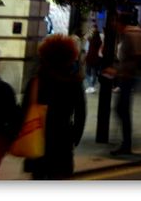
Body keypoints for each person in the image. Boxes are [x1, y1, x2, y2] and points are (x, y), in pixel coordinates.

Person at [22, 34, 87, 179]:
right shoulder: (74, 83)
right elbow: (81, 113)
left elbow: (24, 110)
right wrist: (75, 137)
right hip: (62, 139)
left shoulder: (36, 82)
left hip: (39, 138)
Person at [111, 13, 141, 155]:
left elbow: (134, 57)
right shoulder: (134, 33)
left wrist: (120, 70)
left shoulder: (129, 35)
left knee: (122, 109)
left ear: (121, 23)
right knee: (122, 109)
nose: (114, 25)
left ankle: (126, 144)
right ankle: (126, 143)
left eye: (116, 22)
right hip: (128, 75)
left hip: (128, 76)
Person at [84, 26, 102, 93]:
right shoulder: (100, 41)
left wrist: (90, 31)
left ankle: (91, 86)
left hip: (90, 58)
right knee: (94, 73)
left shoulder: (90, 40)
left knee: (87, 73)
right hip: (96, 59)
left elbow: (85, 37)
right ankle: (92, 87)